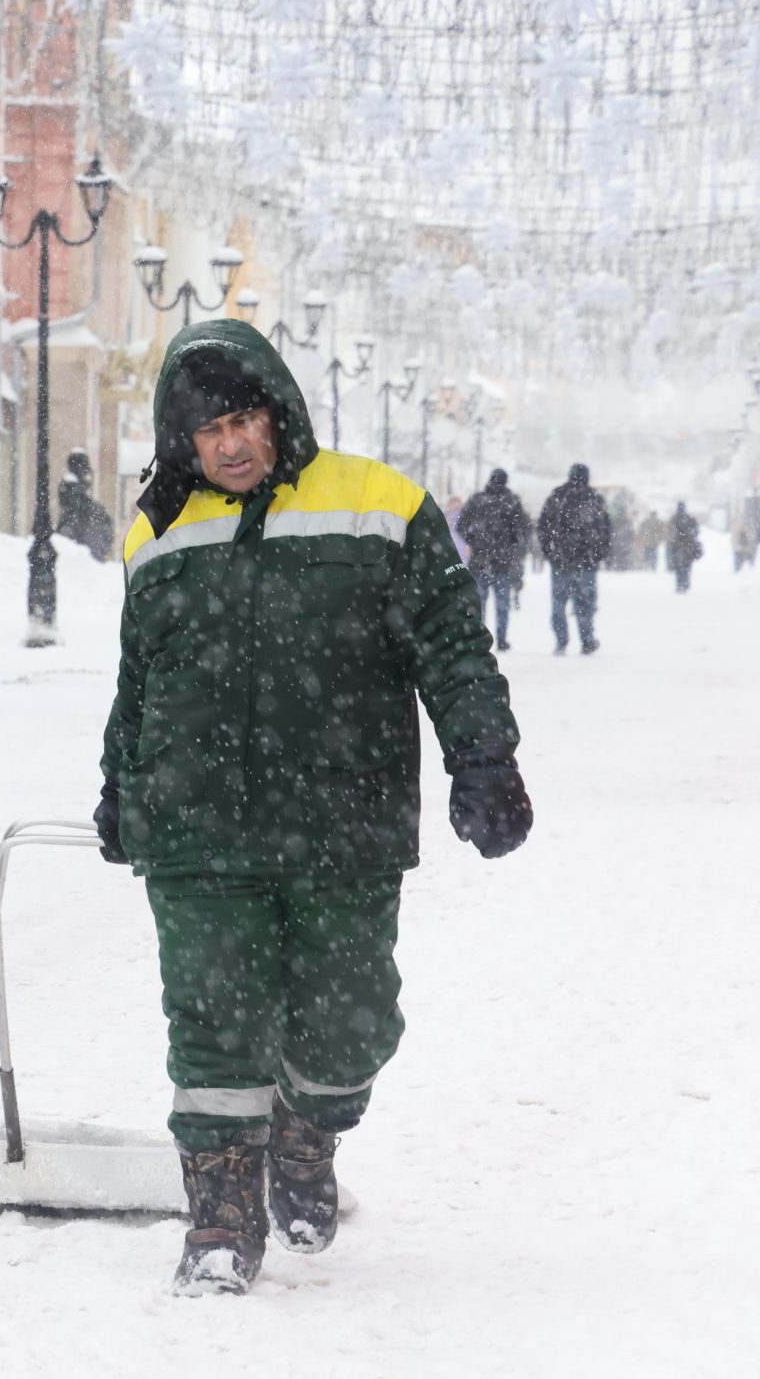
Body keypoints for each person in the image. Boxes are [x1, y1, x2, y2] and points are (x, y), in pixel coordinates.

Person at [94, 320, 529, 1298]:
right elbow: (137, 679)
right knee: (211, 1022)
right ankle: (218, 1222)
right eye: (209, 430)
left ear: (279, 414)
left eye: (246, 419)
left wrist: (483, 755)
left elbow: (451, 646)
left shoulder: (380, 505)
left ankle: (305, 1131)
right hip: (197, 829)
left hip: (344, 819)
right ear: (181, 437)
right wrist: (118, 783)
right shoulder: (155, 530)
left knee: (351, 1023)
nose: (232, 445)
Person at [535, 463, 612, 655]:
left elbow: (543, 527)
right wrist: (598, 554)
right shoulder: (594, 499)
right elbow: (605, 529)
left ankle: (561, 642)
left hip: (560, 561)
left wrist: (550, 553)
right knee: (585, 603)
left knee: (559, 602)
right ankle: (586, 639)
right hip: (586, 562)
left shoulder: (557, 497)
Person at [456, 469, 531, 648]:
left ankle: (477, 639)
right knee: (502, 605)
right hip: (503, 562)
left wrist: (473, 541)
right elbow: (524, 527)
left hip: (480, 560)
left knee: (479, 605)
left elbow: (462, 525)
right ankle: (502, 638)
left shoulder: (478, 500)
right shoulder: (511, 501)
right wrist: (514, 547)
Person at [55, 449, 115, 562]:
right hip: (79, 538)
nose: (86, 470)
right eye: (84, 466)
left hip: (82, 538)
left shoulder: (75, 487)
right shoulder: (72, 486)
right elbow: (75, 514)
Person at [669, 502, 703, 592]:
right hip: (689, 546)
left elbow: (671, 533)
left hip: (678, 547)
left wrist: (676, 540)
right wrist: (690, 537)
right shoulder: (690, 519)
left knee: (678, 567)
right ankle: (685, 584)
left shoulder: (674, 519)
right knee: (687, 566)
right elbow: (696, 531)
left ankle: (679, 584)